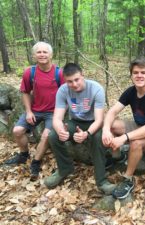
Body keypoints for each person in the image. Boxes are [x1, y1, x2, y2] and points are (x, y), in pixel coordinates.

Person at [43, 63, 115, 194]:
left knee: (98, 139)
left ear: (83, 76)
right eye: (70, 81)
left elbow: (99, 119)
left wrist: (87, 134)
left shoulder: (96, 89)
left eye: (77, 79)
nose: (74, 84)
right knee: (53, 136)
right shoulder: (63, 90)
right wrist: (60, 130)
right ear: (65, 80)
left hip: (94, 123)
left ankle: (102, 181)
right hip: (75, 122)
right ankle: (65, 169)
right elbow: (57, 118)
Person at [102, 58, 145, 199]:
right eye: (135, 72)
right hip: (138, 126)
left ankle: (128, 178)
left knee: (135, 143)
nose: (139, 75)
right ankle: (118, 157)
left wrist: (123, 138)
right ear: (131, 75)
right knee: (111, 124)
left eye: (143, 72)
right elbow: (112, 112)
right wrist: (106, 129)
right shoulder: (131, 92)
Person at [4, 42, 64, 181]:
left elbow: (66, 93)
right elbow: (25, 92)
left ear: (51, 55)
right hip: (35, 110)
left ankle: (35, 162)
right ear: (34, 55)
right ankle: (23, 154)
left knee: (45, 136)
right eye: (39, 52)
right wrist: (29, 111)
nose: (42, 55)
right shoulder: (29, 72)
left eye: (45, 52)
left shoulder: (59, 73)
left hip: (53, 112)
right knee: (17, 130)